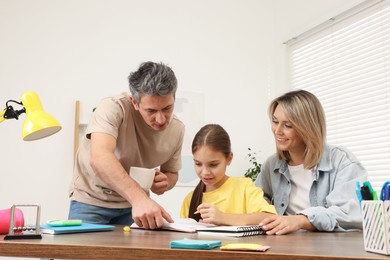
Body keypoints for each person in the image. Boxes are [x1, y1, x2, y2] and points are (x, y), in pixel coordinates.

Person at [68, 61, 185, 229]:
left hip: (135, 208)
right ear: (134, 102)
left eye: (167, 108)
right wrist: (139, 199)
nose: (161, 119)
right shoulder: (113, 107)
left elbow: (171, 172)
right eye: (151, 111)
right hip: (91, 200)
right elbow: (100, 158)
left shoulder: (178, 129)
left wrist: (166, 182)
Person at [255, 89, 367, 235]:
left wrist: (301, 220)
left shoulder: (342, 161)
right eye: (275, 122)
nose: (277, 131)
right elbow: (255, 199)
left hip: (329, 249)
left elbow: (348, 214)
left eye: (288, 125)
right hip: (286, 247)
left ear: (308, 127)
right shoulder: (271, 165)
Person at [180, 124, 276, 226]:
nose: (205, 172)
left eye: (213, 165)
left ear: (229, 158)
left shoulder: (243, 187)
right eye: (198, 164)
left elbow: (270, 217)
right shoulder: (189, 200)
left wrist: (223, 217)